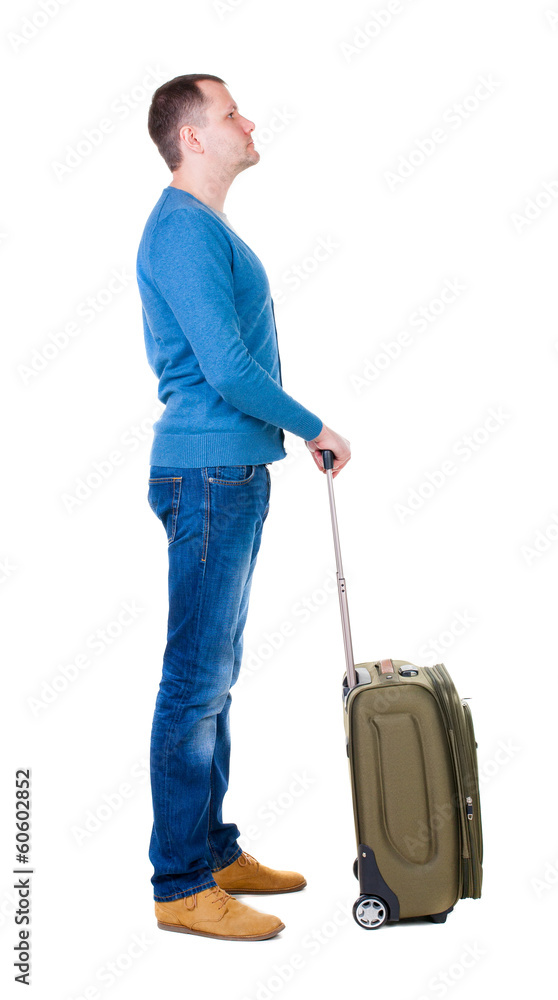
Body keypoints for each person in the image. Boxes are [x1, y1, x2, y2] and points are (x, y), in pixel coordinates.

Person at [136, 73, 351, 942]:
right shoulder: (183, 229)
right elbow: (227, 368)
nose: (248, 120)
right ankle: (182, 885)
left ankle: (213, 852)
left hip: (228, 473)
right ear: (192, 137)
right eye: (230, 113)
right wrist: (313, 425)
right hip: (209, 475)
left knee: (212, 679)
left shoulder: (202, 226)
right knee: (194, 683)